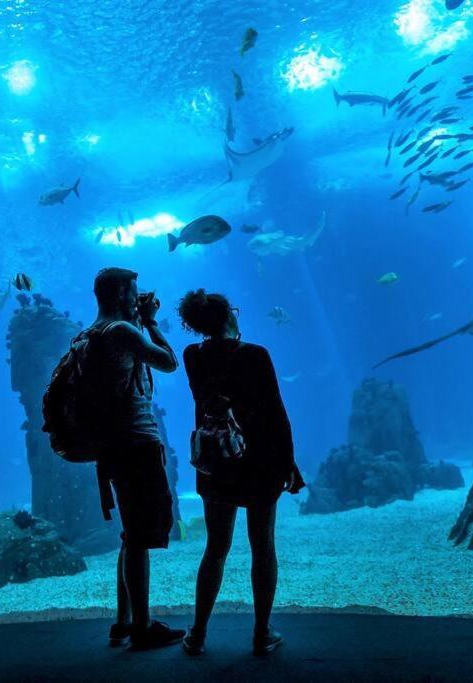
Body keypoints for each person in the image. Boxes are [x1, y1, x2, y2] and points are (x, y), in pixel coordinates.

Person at [176, 290, 305, 657]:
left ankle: (197, 633)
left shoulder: (192, 356)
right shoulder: (254, 354)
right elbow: (276, 413)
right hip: (259, 462)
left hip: (215, 462)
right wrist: (289, 463)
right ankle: (262, 633)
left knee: (215, 547)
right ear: (229, 316)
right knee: (262, 544)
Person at [84, 267, 185, 650]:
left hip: (113, 444)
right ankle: (142, 627)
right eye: (134, 291)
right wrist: (152, 322)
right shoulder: (122, 332)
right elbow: (168, 362)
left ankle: (123, 621)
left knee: (131, 535)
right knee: (142, 535)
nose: (137, 297)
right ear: (123, 293)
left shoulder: (91, 333)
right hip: (134, 442)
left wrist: (139, 318)